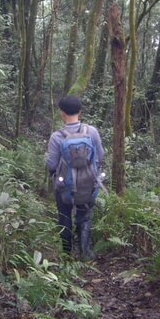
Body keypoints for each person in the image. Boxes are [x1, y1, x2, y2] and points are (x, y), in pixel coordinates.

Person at [45, 96, 104, 259]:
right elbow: (101, 155)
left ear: (62, 113)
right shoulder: (91, 131)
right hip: (88, 184)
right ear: (80, 111)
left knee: (64, 217)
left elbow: (51, 165)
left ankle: (66, 254)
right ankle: (85, 253)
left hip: (64, 187)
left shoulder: (57, 137)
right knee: (84, 216)